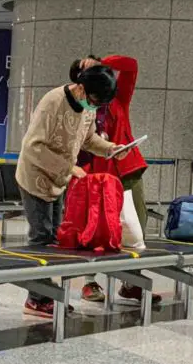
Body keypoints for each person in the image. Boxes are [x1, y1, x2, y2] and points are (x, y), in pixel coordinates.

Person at [16, 65, 121, 318]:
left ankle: (43, 294)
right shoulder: (53, 102)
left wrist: (109, 148)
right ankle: (36, 299)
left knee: (54, 239)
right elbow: (32, 147)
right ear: (82, 88)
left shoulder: (88, 107)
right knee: (41, 240)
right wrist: (69, 167)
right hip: (35, 176)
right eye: (95, 101)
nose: (95, 107)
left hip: (59, 179)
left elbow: (88, 139)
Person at [74, 55, 158, 306]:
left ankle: (132, 283)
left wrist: (102, 62)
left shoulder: (119, 99)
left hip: (127, 172)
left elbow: (131, 65)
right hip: (96, 176)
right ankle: (89, 281)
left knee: (136, 229)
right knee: (94, 229)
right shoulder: (80, 104)